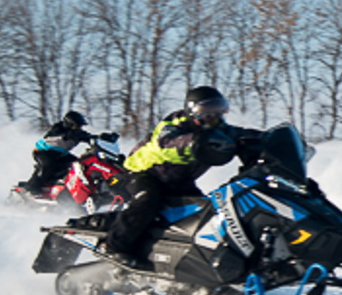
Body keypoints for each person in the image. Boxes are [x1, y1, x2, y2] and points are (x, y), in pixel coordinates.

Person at [101, 86, 256, 270]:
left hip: (178, 180)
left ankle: (193, 259)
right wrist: (192, 143)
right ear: (193, 112)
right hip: (144, 173)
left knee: (206, 210)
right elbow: (166, 143)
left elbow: (243, 135)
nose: (213, 118)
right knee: (148, 200)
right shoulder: (174, 124)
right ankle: (115, 247)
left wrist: (269, 140)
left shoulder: (220, 130)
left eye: (218, 112)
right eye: (207, 113)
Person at [22, 111, 93, 196]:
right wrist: (68, 135)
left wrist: (102, 137)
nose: (78, 128)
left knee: (79, 163)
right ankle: (33, 189)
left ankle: (66, 187)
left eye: (80, 126)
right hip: (44, 151)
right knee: (48, 165)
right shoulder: (58, 128)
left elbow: (88, 136)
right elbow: (57, 134)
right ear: (69, 124)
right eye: (76, 126)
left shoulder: (77, 133)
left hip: (61, 153)